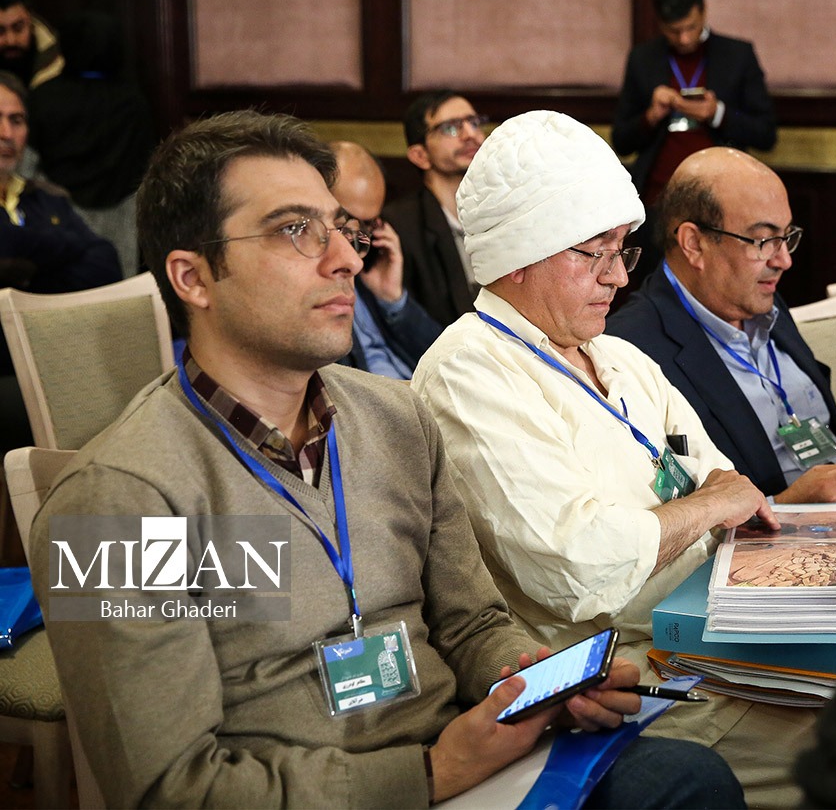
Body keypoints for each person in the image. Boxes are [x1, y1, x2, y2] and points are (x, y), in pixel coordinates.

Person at [28, 110, 743, 808]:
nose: (346, 258)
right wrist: (431, 772)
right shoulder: (114, 503)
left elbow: (470, 626)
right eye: (294, 231)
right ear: (193, 278)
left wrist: (543, 683)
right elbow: (169, 787)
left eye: (340, 228)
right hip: (360, 786)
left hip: (474, 755)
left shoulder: (394, 420)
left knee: (686, 777)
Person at [413, 110, 829, 807]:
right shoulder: (468, 371)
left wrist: (709, 503)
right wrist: (706, 506)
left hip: (713, 635)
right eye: (592, 254)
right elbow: (581, 567)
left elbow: (727, 480)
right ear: (519, 256)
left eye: (621, 252)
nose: (616, 278)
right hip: (621, 683)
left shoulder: (620, 357)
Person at [607, 147, 836, 513]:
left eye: (786, 236)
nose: (784, 260)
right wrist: (786, 507)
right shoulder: (630, 348)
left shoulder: (763, 303)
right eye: (764, 241)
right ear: (694, 244)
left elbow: (806, 438)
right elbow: (659, 520)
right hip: (768, 545)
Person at [0, 70, 122, 454]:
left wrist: (25, 269)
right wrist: (62, 254)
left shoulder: (47, 197)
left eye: (16, 120)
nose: (6, 133)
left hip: (59, 360)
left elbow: (106, 263)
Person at [612, 0, 776, 211]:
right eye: (673, 31)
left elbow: (766, 134)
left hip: (723, 194)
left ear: (703, 10)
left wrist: (717, 113)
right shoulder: (643, 59)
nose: (684, 39)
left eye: (691, 27)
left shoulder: (737, 55)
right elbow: (621, 141)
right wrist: (651, 116)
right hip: (658, 194)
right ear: (659, 23)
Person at [27, 10, 155, 275]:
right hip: (121, 220)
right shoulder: (133, 102)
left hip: (56, 220)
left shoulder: (43, 98)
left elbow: (27, 166)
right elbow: (146, 168)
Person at [328, 140, 442, 377]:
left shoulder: (376, 264)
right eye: (345, 222)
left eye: (368, 224)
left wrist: (394, 299)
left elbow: (445, 358)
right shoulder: (312, 279)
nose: (357, 239)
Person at [384, 90, 485, 326]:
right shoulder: (400, 225)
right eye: (451, 128)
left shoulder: (505, 207)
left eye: (473, 122)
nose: (470, 134)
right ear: (420, 155)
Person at [0, 0, 62, 90]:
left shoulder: (59, 64)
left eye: (18, 28)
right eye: (0, 31)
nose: (11, 40)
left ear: (31, 22)